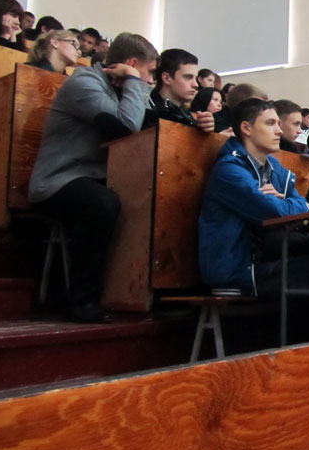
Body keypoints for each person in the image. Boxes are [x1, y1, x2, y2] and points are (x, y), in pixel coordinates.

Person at [28, 32, 158, 323]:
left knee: (146, 198)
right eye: (148, 72)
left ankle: (137, 294)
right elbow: (125, 127)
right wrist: (135, 82)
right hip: (59, 180)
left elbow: (150, 125)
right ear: (132, 64)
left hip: (96, 177)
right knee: (102, 204)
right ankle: (82, 300)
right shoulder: (85, 82)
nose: (150, 80)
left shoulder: (121, 89)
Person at [198, 99, 309, 300]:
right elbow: (273, 212)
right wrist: (287, 205)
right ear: (246, 128)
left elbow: (306, 207)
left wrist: (287, 204)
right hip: (237, 270)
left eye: (278, 124)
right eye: (270, 123)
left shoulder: (275, 169)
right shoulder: (229, 169)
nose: (278, 130)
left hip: (266, 259)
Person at [146, 48, 214, 133]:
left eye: (195, 78)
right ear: (166, 78)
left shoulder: (191, 116)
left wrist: (204, 132)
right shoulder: (144, 112)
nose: (196, 85)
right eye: (188, 77)